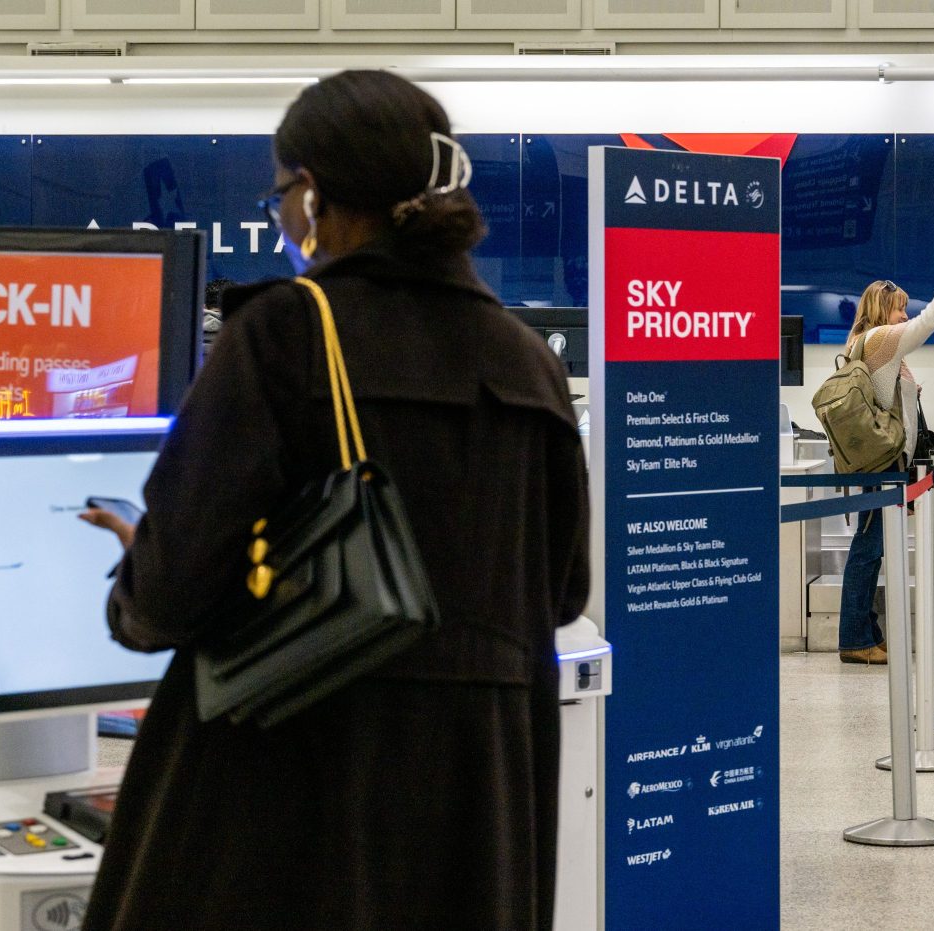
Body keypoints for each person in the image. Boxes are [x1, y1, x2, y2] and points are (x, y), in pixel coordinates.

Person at [78, 70, 589, 930]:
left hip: (285, 784)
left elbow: (171, 592)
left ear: (313, 195)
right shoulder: (527, 362)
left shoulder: (283, 333)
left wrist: (139, 575)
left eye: (283, 193)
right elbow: (563, 591)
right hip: (479, 801)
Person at [837, 252, 934, 665]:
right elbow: (929, 321)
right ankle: (855, 639)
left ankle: (866, 634)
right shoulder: (879, 340)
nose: (904, 317)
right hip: (883, 467)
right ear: (884, 309)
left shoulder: (871, 344)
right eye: (900, 309)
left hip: (886, 466)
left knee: (871, 547)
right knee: (867, 549)